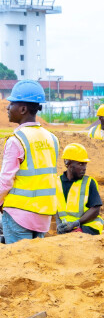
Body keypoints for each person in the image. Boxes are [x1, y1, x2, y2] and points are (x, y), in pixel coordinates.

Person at [0, 80, 59, 244]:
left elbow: (5, 181)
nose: (7, 107)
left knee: (20, 263)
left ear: (23, 109)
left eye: (12, 103)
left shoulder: (16, 140)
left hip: (18, 214)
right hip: (42, 217)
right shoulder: (51, 139)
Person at [55, 143, 103, 235]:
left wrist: (76, 223)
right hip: (67, 228)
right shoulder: (57, 182)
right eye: (80, 164)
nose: (84, 168)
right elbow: (55, 206)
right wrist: (58, 223)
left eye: (85, 164)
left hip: (88, 228)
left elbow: (95, 209)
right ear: (67, 163)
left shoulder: (89, 182)